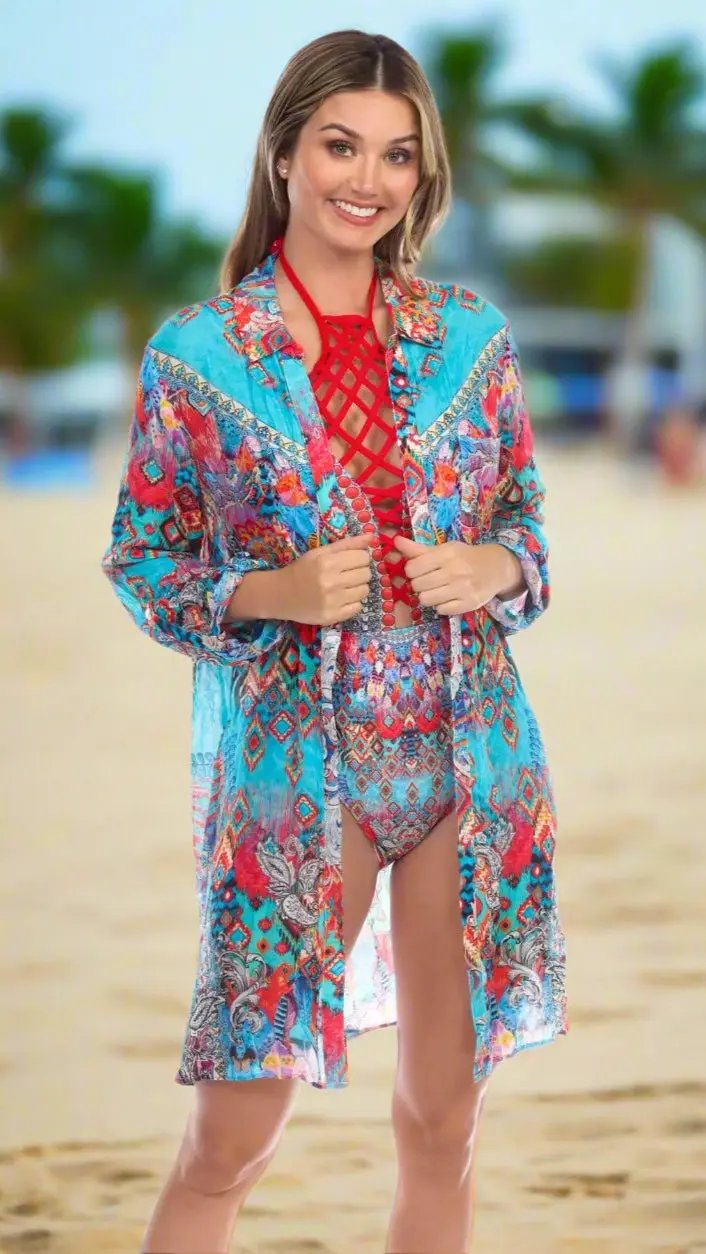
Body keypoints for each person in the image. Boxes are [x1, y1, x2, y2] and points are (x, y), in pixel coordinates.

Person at [101, 28, 569, 1254]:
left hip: (473, 761)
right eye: (340, 146)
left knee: (443, 1127)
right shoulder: (197, 360)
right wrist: (277, 591)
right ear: (281, 153)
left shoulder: (471, 337)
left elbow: (527, 526)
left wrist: (497, 565)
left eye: (398, 156)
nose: (367, 180)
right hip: (299, 778)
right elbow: (145, 565)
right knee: (230, 1141)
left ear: (424, 177)